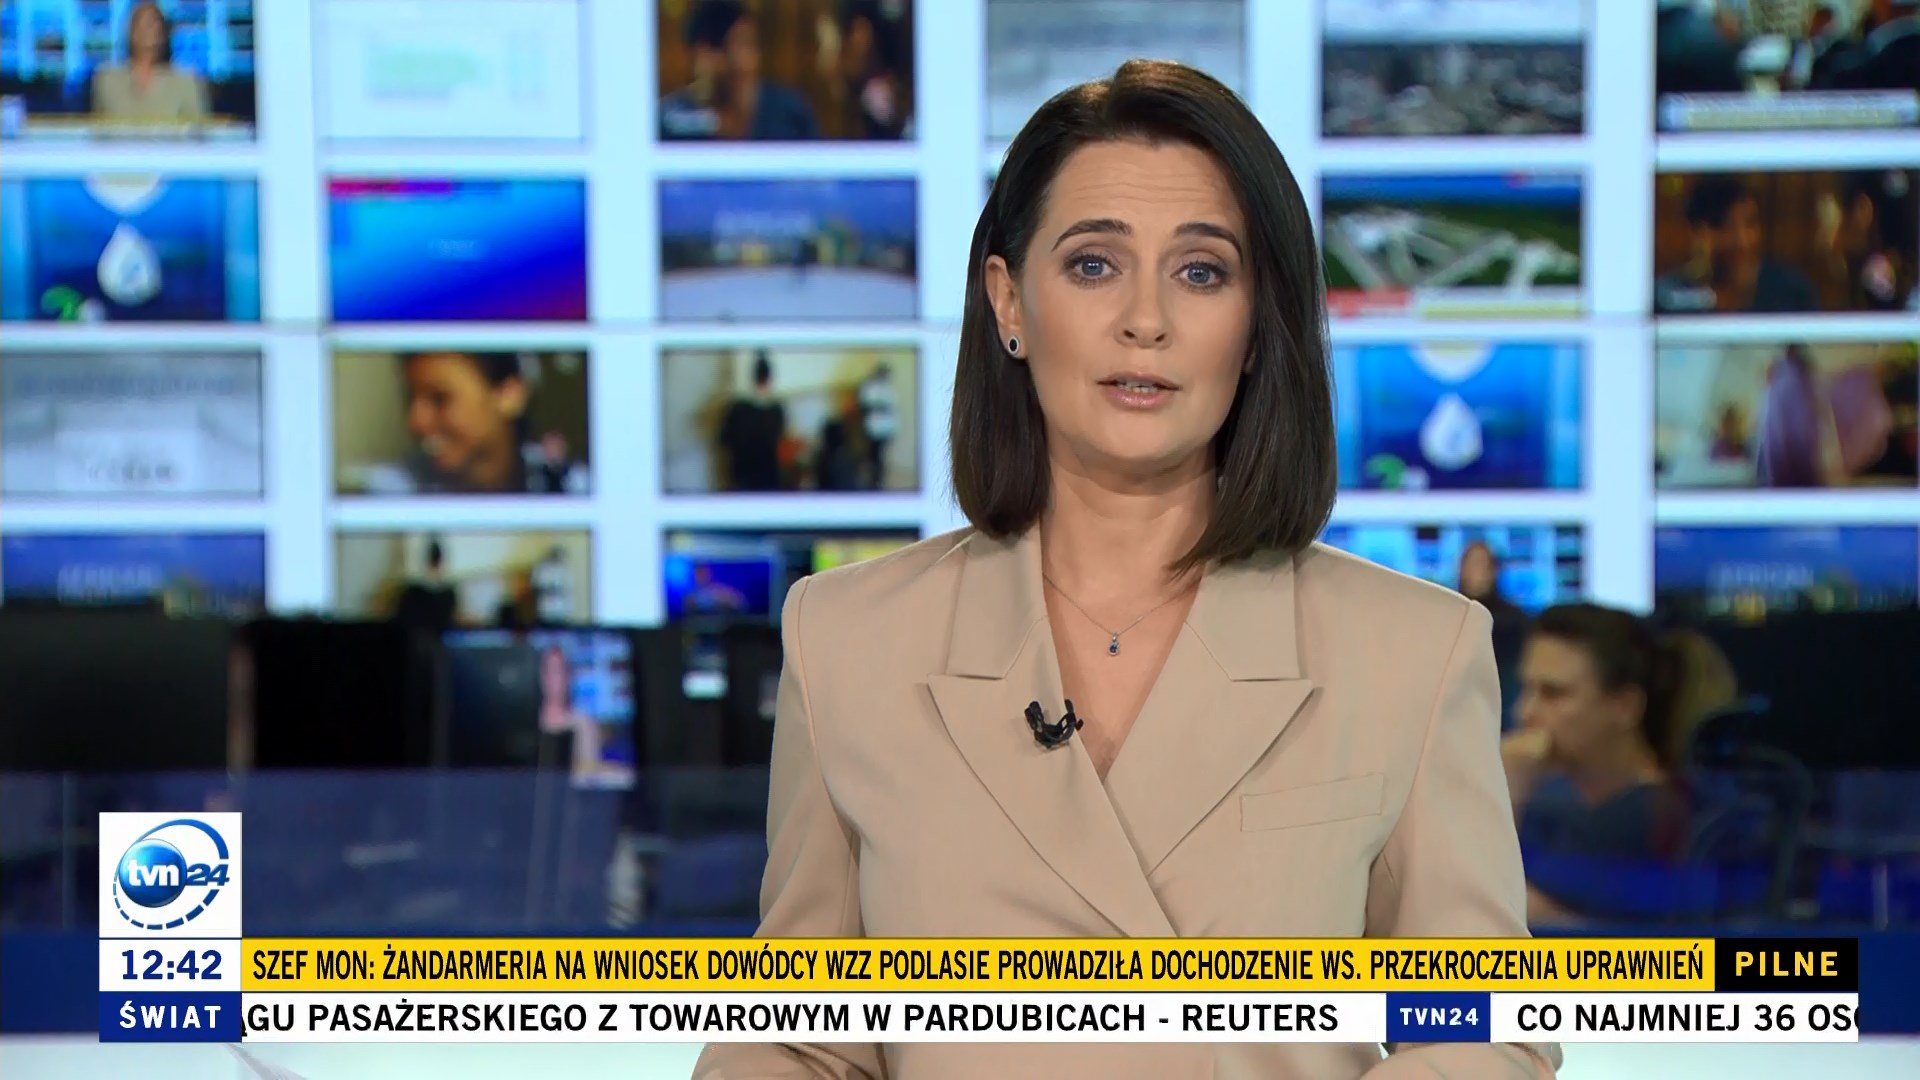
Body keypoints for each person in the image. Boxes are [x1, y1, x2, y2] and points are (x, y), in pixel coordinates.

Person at [692, 60, 1557, 1080]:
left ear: (1257, 326)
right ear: (1009, 303)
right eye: (1094, 265)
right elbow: (796, 1038)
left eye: (1201, 273)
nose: (1146, 319)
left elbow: (1480, 1029)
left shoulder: (1412, 652)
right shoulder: (848, 640)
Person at [1501, 605, 1735, 923]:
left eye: (1553, 694)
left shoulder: (1643, 818)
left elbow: (1492, 916)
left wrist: (1506, 788)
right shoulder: (1563, 806)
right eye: (1526, 689)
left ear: (1625, 706)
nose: (1525, 712)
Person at [1653, 175, 1818, 314]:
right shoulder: (1668, 297)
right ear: (1698, 234)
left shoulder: (1790, 291)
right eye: (1727, 226)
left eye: (1750, 224)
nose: (1743, 241)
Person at [659, 0, 818, 141]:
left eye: (748, 44)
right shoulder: (670, 120)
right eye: (723, 46)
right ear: (698, 54)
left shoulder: (789, 113)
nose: (743, 61)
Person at [91, 1, 209, 127]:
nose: (148, 29)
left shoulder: (186, 81)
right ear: (130, 30)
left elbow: (200, 131)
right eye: (141, 22)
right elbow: (97, 130)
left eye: (153, 22)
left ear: (164, 32)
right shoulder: (107, 81)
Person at [716, 351, 787, 491]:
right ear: (768, 380)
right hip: (762, 475)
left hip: (747, 475)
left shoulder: (738, 408)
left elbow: (724, 440)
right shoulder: (776, 409)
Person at [1457, 539, 1526, 626]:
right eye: (1475, 563)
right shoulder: (1448, 611)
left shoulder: (1514, 619)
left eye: (1486, 565)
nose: (1481, 571)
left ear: (1494, 571)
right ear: (1461, 570)